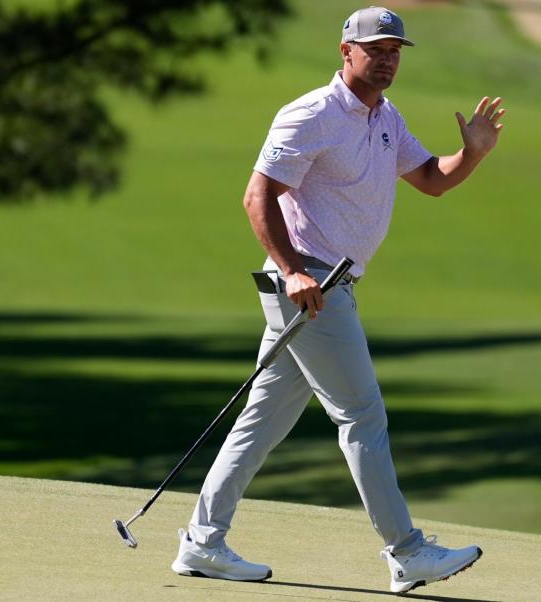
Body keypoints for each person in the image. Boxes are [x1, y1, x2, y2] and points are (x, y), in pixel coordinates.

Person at [170, 6, 505, 595]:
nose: (387, 59)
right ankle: (407, 552)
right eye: (376, 49)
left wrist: (472, 153)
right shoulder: (312, 114)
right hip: (312, 287)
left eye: (395, 50)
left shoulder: (385, 117)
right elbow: (257, 197)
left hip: (322, 288)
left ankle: (202, 543)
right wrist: (294, 271)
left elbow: (430, 178)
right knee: (362, 415)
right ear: (344, 51)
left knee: (261, 421)